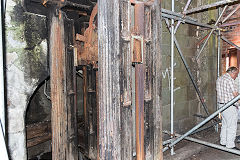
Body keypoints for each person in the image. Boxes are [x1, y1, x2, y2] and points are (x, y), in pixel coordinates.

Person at [216, 66, 239, 149]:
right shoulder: (230, 80)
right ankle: (230, 145)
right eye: (236, 74)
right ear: (232, 72)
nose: (236, 76)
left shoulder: (219, 79)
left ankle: (223, 142)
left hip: (221, 105)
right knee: (232, 126)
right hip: (229, 106)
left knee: (225, 124)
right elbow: (235, 94)